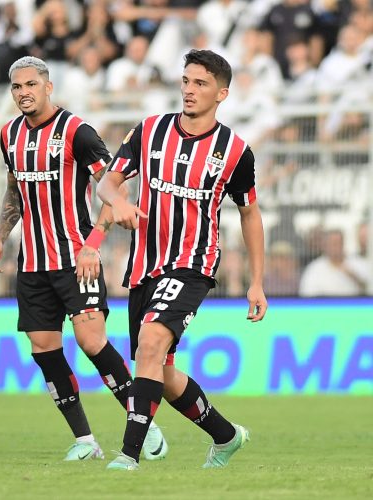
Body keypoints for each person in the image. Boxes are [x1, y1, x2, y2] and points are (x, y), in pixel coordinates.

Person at [0, 56, 168, 462]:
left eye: (31, 85)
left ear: (49, 87)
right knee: (44, 350)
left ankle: (144, 424)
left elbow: (112, 189)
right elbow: (15, 190)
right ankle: (85, 440)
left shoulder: (77, 132)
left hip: (75, 259)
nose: (23, 93)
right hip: (32, 264)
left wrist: (93, 244)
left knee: (91, 341)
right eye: (16, 87)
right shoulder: (8, 134)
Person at [98, 49, 268, 471]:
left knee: (152, 342)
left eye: (201, 83)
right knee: (158, 369)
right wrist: (116, 201)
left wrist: (257, 281)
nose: (189, 90)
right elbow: (107, 182)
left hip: (194, 263)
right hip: (143, 266)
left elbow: (250, 213)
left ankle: (128, 457)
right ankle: (226, 436)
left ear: (222, 93)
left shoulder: (234, 151)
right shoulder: (149, 131)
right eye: (187, 81)